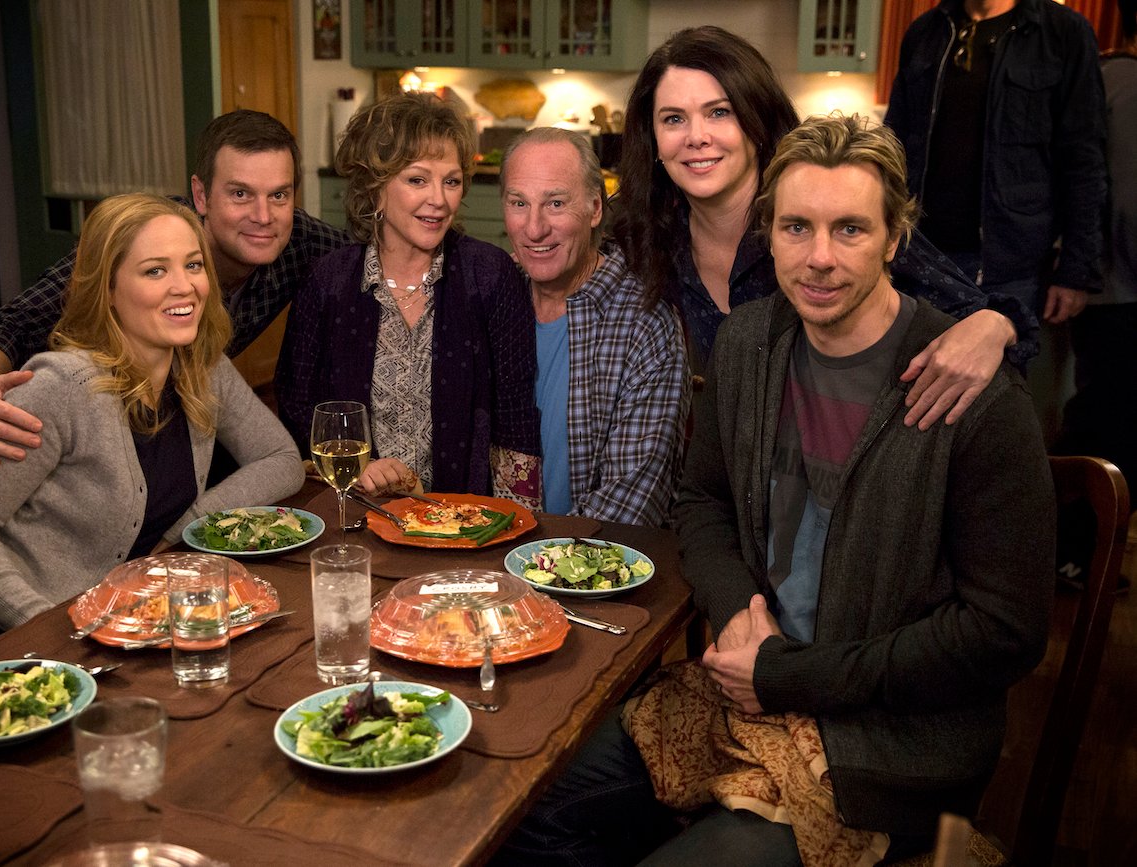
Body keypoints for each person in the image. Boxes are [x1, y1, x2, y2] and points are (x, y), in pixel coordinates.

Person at [496, 115, 1053, 866]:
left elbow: (1004, 631)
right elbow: (703, 502)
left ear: (895, 239)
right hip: (742, 693)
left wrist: (791, 674)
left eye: (850, 229)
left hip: (887, 744)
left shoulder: (973, 392)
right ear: (770, 234)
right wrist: (739, 616)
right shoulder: (749, 344)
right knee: (524, 808)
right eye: (796, 227)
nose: (819, 258)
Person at [0, 194, 304, 669]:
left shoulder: (201, 367)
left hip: (115, 631)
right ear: (107, 289)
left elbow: (282, 460)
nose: (185, 286)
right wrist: (48, 628)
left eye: (193, 265)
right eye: (155, 271)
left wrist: (187, 528)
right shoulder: (62, 386)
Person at [613, 26, 1033, 432]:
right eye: (673, 119)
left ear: (757, 120)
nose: (696, 137)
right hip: (730, 459)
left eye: (719, 112)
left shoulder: (828, 209)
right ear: (652, 138)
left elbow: (988, 317)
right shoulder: (642, 230)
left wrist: (995, 326)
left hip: (852, 451)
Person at [0, 109, 348, 468]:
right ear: (201, 196)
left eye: (278, 195)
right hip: (64, 438)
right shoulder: (145, 239)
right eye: (240, 194)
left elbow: (371, 256)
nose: (263, 216)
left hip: (173, 432)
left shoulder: (300, 241)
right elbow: (6, 324)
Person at [276, 92, 540, 503]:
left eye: (451, 181)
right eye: (417, 180)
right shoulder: (327, 282)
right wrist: (354, 471)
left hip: (465, 521)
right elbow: (297, 411)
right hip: (358, 514)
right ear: (375, 187)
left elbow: (515, 418)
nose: (439, 200)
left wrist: (514, 523)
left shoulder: (489, 275)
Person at [499, 127, 689, 525]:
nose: (534, 229)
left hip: (586, 557)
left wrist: (538, 556)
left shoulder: (644, 321)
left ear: (595, 208)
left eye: (555, 203)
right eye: (519, 203)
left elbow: (633, 502)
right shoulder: (492, 295)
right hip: (481, 549)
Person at [885, 0, 1106, 327]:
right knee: (913, 361)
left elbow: (1085, 161)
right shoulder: (925, 31)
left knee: (998, 363)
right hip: (918, 258)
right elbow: (892, 147)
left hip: (1011, 271)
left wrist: (1077, 271)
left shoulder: (1064, 33)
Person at [1054, 0, 1137, 588]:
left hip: (1107, 289)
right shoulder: (1123, 84)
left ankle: (1080, 555)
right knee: (1108, 431)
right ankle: (1075, 556)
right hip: (1119, 294)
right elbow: (1126, 206)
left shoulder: (1106, 78)